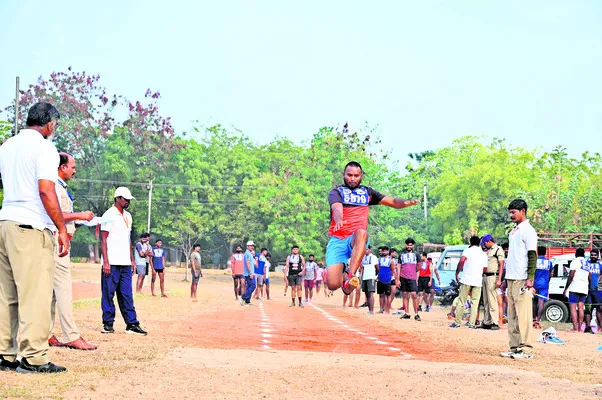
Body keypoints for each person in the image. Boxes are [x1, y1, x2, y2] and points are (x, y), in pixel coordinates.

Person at [0, 102, 69, 373]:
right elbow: (45, 190)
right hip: (30, 227)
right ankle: (34, 357)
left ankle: (4, 354)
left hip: (5, 222)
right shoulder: (45, 149)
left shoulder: (6, 146)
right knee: (36, 294)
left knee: (6, 295)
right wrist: (61, 228)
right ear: (50, 125)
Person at [325, 161, 419, 296]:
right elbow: (336, 207)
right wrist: (338, 218)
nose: (352, 178)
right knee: (333, 284)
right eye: (349, 175)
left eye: (356, 175)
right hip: (338, 239)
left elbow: (392, 201)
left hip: (356, 239)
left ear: (361, 175)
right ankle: (346, 277)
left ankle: (351, 275)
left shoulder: (367, 192)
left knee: (362, 233)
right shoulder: (336, 191)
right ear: (343, 175)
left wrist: (405, 203)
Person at [48, 153, 97, 351]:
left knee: (51, 292)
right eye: (73, 167)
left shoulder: (59, 186)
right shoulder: (54, 187)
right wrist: (79, 215)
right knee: (64, 290)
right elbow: (55, 214)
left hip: (60, 239)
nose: (75, 171)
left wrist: (79, 220)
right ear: (62, 167)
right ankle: (71, 335)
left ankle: (47, 333)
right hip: (57, 242)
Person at [100, 187, 147, 336]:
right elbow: (103, 239)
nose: (128, 202)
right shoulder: (108, 214)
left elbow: (128, 240)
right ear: (118, 198)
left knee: (126, 294)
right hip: (112, 262)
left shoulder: (128, 216)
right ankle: (108, 323)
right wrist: (106, 262)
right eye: (125, 199)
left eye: (128, 200)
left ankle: (132, 324)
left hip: (125, 263)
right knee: (108, 293)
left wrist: (132, 260)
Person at [500, 199, 537, 359]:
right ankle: (514, 347)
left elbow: (532, 255)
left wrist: (530, 278)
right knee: (513, 315)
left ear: (523, 211)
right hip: (511, 277)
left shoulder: (528, 230)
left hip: (522, 278)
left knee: (524, 315)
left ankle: (526, 349)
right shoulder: (514, 231)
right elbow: (513, 256)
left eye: (514, 212)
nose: (511, 215)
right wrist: (504, 278)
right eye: (510, 212)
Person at [450, 236, 487, 328]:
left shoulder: (467, 251)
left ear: (470, 243)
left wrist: (457, 272)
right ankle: (472, 323)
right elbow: (485, 269)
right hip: (477, 281)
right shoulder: (483, 254)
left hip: (466, 279)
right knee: (475, 302)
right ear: (479, 243)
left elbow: (462, 261)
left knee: (461, 301)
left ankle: (457, 322)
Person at [563, 248, 590, 332]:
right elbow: (590, 276)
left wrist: (566, 288)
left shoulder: (575, 261)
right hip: (584, 288)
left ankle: (575, 328)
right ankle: (579, 328)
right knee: (581, 308)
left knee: (573, 308)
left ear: (576, 254)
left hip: (575, 287)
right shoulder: (587, 263)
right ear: (584, 254)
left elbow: (571, 275)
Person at [482, 234, 504, 330]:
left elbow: (501, 265)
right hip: (485, 277)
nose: (484, 246)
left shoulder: (498, 249)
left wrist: (499, 279)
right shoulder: (489, 251)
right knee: (486, 300)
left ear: (488, 242)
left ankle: (494, 322)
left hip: (492, 277)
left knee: (492, 300)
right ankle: (487, 321)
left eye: (484, 243)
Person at [399, 238, 421, 321]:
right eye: (408, 245)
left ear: (413, 246)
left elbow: (419, 266)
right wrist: (398, 279)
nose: (409, 246)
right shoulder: (401, 254)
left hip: (412, 278)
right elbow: (399, 266)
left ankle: (416, 314)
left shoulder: (417, 255)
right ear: (406, 245)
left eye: (410, 245)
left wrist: (413, 272)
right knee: (405, 295)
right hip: (403, 277)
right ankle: (406, 313)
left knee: (414, 295)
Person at [532, 246, 552, 329]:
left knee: (533, 301)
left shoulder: (535, 262)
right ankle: (538, 320)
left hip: (535, 283)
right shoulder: (549, 262)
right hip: (544, 284)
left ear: (537, 252)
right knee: (541, 303)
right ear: (545, 252)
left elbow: (532, 273)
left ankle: (533, 319)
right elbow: (551, 274)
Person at [585, 249, 601, 333]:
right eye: (592, 255)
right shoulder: (586, 264)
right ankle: (588, 327)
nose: (593, 256)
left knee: (598, 308)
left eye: (595, 255)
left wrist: (598, 279)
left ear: (597, 256)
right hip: (587, 290)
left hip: (596, 290)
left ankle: (600, 327)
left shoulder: (600, 265)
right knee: (588, 309)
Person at [360, 246, 379, 314]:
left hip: (371, 277)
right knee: (366, 294)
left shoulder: (373, 257)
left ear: (370, 250)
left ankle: (371, 311)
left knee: (370, 293)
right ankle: (369, 310)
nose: (365, 250)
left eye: (367, 249)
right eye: (364, 249)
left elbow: (377, 268)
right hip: (365, 277)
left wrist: (375, 276)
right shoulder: (362, 257)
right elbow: (362, 267)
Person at [377, 246, 393, 313]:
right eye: (383, 251)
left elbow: (393, 270)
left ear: (388, 251)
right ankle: (381, 309)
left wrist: (391, 277)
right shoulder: (379, 260)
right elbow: (378, 269)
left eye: (386, 251)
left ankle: (387, 309)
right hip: (380, 279)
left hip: (387, 280)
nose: (384, 252)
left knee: (388, 295)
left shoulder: (390, 260)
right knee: (381, 295)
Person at [240, 241, 257, 305]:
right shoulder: (247, 253)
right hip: (249, 273)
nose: (252, 247)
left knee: (249, 286)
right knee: (253, 286)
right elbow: (247, 263)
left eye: (253, 246)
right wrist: (250, 273)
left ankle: (247, 301)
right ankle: (243, 297)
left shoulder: (249, 253)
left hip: (251, 273)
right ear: (247, 246)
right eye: (251, 246)